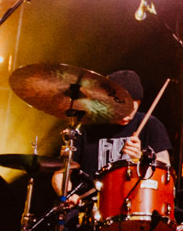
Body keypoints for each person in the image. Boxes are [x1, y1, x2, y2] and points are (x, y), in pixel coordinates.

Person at [51, 69, 172, 200]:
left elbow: (165, 175)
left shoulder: (151, 125)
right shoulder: (86, 127)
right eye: (121, 109)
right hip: (91, 205)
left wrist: (141, 159)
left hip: (136, 202)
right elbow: (61, 174)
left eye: (132, 109)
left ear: (139, 103)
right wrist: (68, 195)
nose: (126, 115)